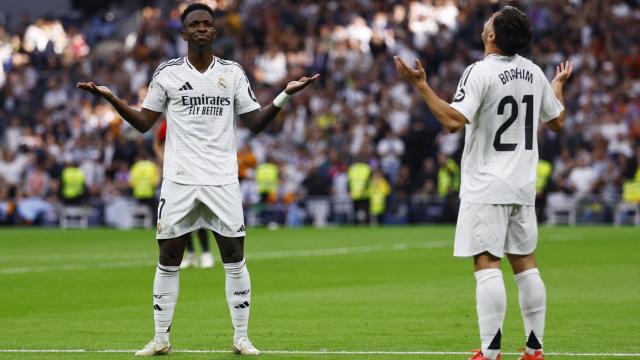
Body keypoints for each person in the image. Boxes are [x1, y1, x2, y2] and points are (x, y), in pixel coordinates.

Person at [77, 3, 319, 356]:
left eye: (208, 23)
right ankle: (161, 338)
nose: (202, 28)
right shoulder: (167, 74)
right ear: (183, 33)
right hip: (179, 180)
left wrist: (284, 95)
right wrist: (113, 99)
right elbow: (145, 123)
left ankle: (241, 337)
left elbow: (255, 123)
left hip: (222, 178)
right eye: (195, 24)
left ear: (215, 31)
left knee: (234, 253)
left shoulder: (233, 73)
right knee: (169, 255)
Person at [395, 6, 572, 360]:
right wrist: (556, 88)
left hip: (487, 186)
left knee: (487, 264)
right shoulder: (534, 72)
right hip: (522, 186)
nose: (486, 20)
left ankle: (490, 352)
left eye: (491, 18)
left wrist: (422, 86)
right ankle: (535, 350)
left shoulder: (479, 72)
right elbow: (558, 123)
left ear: (492, 35)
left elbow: (451, 121)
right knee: (526, 264)